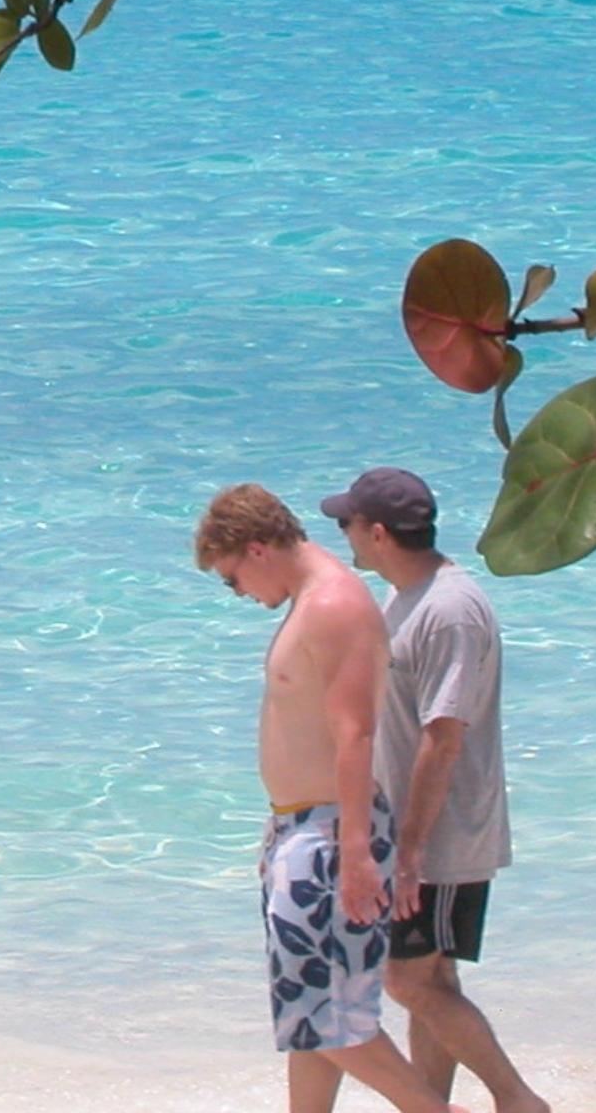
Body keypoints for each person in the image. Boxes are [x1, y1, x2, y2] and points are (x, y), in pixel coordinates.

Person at [194, 484, 451, 1113]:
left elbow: (354, 733)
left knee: (327, 1016)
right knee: (308, 1019)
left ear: (256, 550)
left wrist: (357, 853)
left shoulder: (333, 603)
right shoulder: (311, 601)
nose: (241, 596)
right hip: (305, 830)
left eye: (233, 580)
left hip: (333, 836)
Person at [326, 469, 547, 1113]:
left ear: (376, 532)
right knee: (432, 977)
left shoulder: (448, 609)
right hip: (419, 830)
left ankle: (518, 1101)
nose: (343, 536)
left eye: (347, 524)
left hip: (442, 834)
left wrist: (412, 852)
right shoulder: (410, 598)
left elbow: (443, 736)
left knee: (406, 981)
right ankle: (431, 1105)